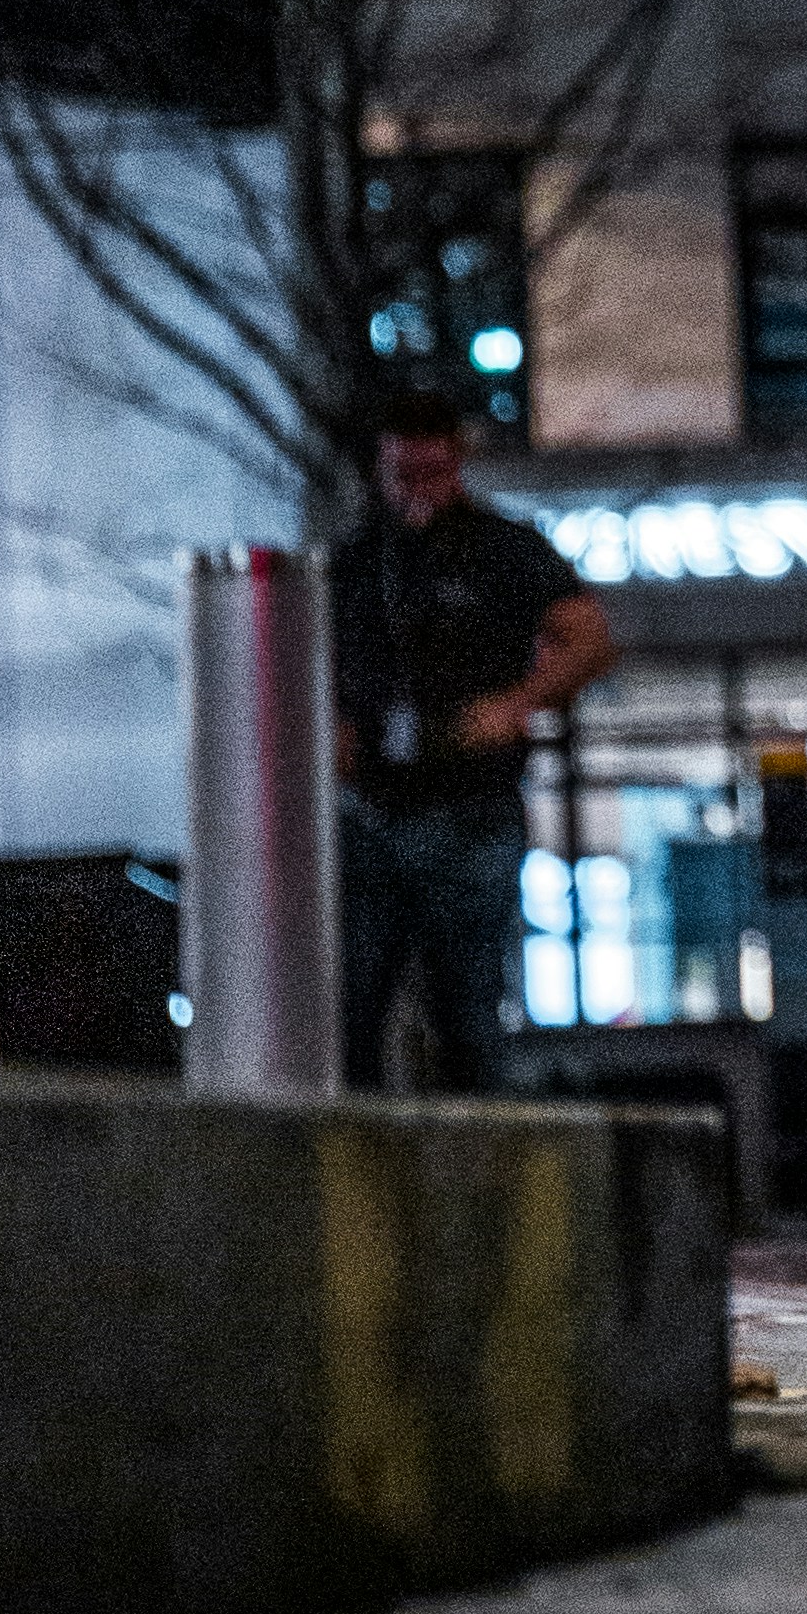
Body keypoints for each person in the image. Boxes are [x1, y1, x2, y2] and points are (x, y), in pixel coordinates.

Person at [328, 372, 614, 1094]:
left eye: (432, 470)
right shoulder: (356, 562)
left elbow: (588, 640)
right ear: (381, 468)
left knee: (470, 1020)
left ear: (455, 463)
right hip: (372, 812)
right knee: (353, 1019)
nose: (417, 488)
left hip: (470, 811)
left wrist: (514, 704)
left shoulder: (502, 550)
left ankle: (479, 1189)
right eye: (403, 472)